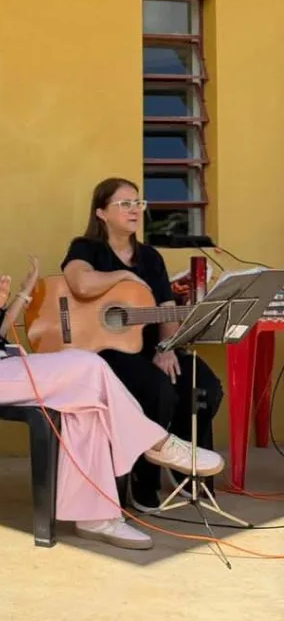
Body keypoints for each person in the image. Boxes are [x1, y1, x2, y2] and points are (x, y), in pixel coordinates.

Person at [0, 189, 224, 549]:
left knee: (86, 406)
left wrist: (22, 294)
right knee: (89, 364)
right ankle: (157, 442)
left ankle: (97, 517)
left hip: (0, 364)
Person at [60, 177, 225, 512]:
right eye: (125, 204)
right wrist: (123, 276)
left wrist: (166, 348)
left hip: (152, 348)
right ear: (101, 212)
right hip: (106, 352)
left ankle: (182, 467)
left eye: (138, 203)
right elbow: (79, 282)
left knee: (204, 386)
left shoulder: (150, 257)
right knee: (157, 391)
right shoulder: (86, 248)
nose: (134, 210)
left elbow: (167, 309)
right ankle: (142, 479)